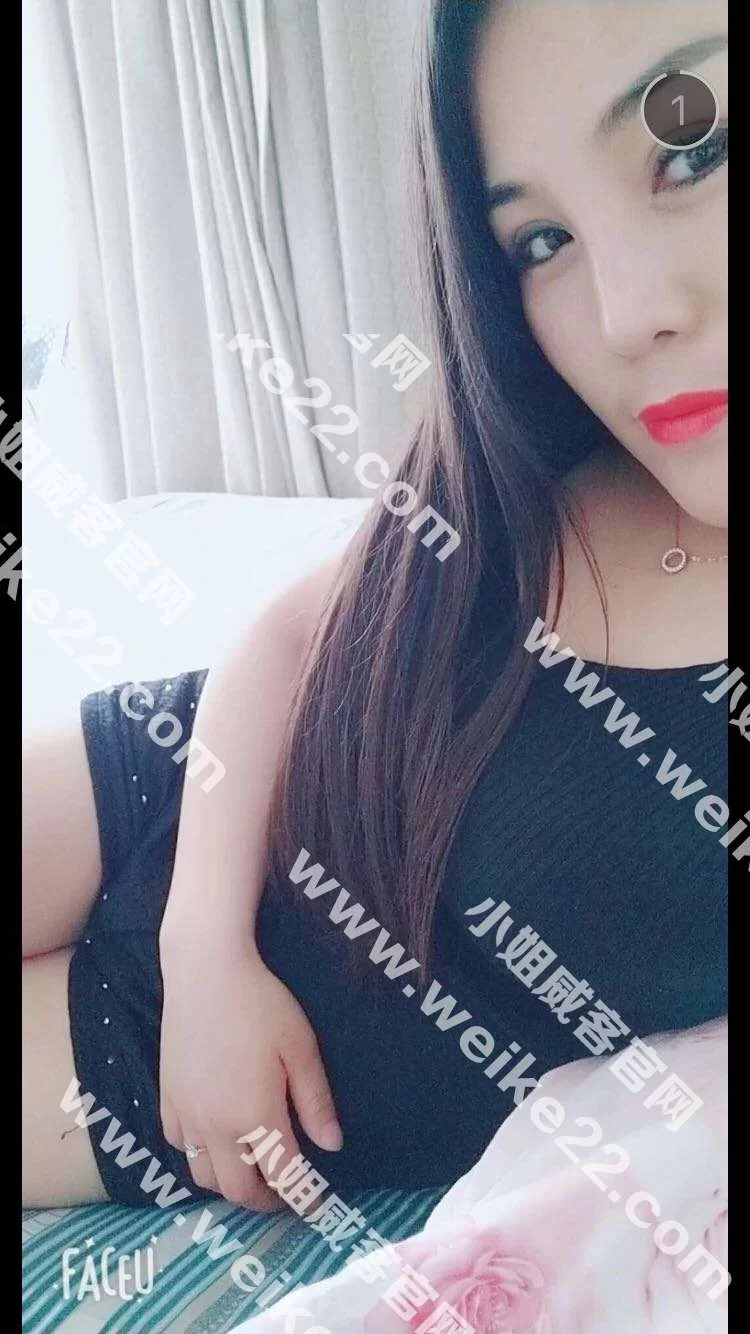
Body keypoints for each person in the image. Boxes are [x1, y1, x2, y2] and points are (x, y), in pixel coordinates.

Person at [23, 0, 728, 1220]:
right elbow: (298, 631)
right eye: (542, 238)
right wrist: (203, 944)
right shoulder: (549, 476)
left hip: (213, 1073)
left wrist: (200, 1005)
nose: (625, 313)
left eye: (694, 145)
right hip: (171, 782)